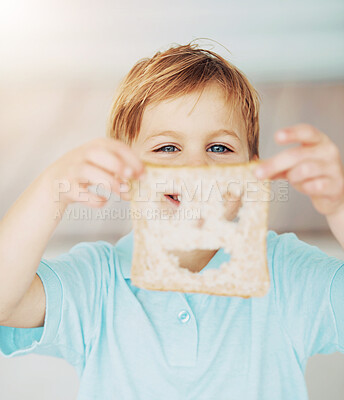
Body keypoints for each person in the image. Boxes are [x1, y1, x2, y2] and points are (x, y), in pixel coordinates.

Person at [0, 42, 343, 400]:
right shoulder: (96, 283)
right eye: (167, 148)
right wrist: (49, 187)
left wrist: (338, 208)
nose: (195, 167)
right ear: (123, 170)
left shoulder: (286, 275)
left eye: (219, 148)